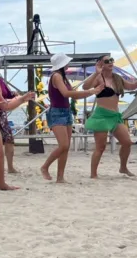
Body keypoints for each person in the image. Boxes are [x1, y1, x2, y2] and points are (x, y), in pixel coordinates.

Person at [82, 55, 137, 178]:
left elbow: (132, 86)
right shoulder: (99, 78)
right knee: (100, 147)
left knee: (127, 142)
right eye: (107, 61)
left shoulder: (117, 78)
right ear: (101, 64)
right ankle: (93, 174)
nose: (110, 62)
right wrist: (95, 73)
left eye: (111, 60)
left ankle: (123, 168)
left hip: (115, 116)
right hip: (101, 115)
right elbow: (85, 87)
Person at [39, 54, 99, 183]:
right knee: (64, 145)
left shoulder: (63, 78)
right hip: (56, 112)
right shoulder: (56, 76)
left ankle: (60, 177)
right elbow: (66, 94)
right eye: (66, 62)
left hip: (66, 112)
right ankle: (45, 167)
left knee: (66, 147)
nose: (68, 64)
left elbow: (74, 96)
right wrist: (91, 92)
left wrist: (92, 88)